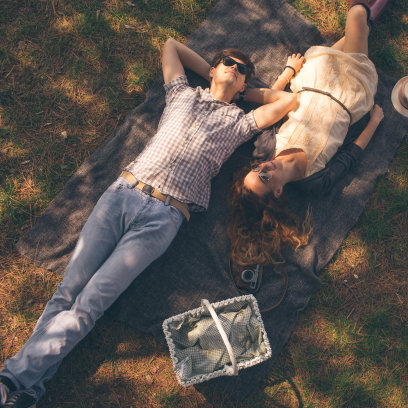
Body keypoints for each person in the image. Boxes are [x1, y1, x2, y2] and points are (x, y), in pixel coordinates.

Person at [0, 38, 298, 407]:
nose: (235, 69)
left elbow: (288, 102)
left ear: (244, 86)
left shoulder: (239, 123)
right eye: (228, 63)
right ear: (210, 69)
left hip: (162, 217)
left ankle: (11, 379)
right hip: (122, 194)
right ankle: (27, 387)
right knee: (67, 292)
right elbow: (172, 46)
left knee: (89, 305)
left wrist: (249, 89)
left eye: (243, 70)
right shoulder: (181, 94)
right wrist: (217, 75)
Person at [228, 0, 388, 267]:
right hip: (349, 92)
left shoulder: (266, 148)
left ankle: (371, 14)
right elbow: (350, 156)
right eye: (265, 176)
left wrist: (288, 71)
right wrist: (374, 122)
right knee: (357, 15)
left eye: (257, 169)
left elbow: (274, 104)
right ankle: (367, 11)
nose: (264, 166)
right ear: (278, 191)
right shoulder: (314, 182)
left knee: (355, 31)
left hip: (315, 78)